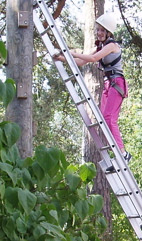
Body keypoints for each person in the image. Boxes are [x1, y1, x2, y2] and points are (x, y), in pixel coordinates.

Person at [54, 13, 130, 162]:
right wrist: (62, 58)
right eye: (98, 30)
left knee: (109, 118)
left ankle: (123, 153)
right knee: (103, 119)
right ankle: (117, 152)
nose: (99, 33)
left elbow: (93, 59)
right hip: (109, 83)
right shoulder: (101, 47)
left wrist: (69, 51)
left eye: (102, 30)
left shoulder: (112, 46)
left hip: (116, 83)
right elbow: (82, 62)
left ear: (109, 32)